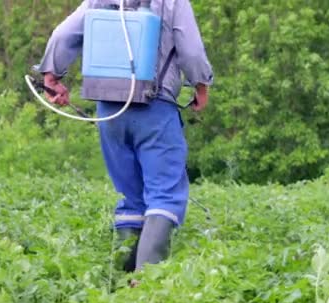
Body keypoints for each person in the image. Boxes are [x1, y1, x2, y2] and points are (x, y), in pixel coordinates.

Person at [34, 0, 213, 273]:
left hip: (110, 112)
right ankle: (145, 283)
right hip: (155, 108)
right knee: (164, 195)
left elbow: (63, 34)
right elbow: (191, 49)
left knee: (131, 197)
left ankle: (119, 279)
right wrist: (201, 84)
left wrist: (52, 76)